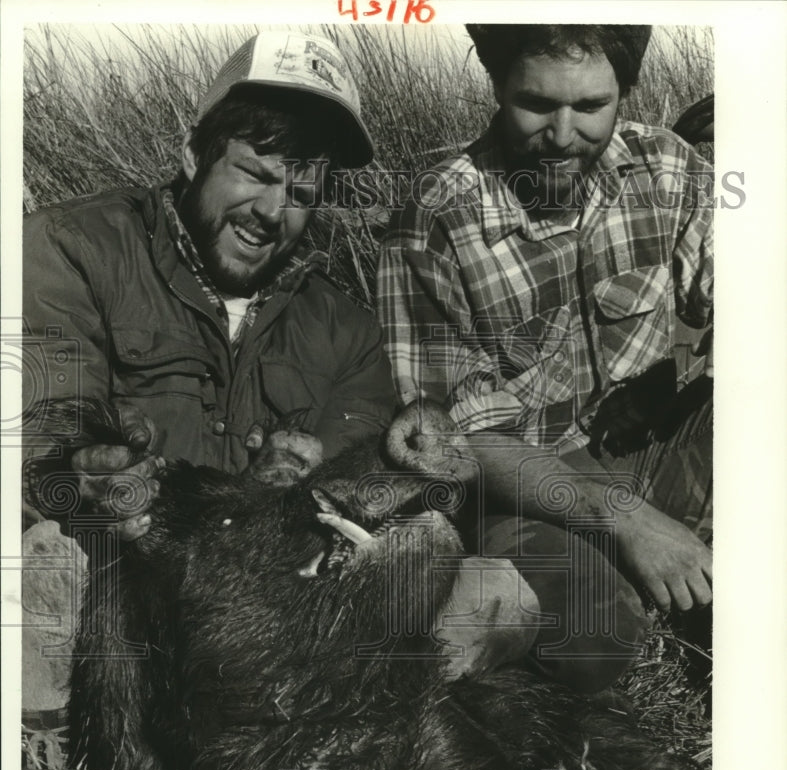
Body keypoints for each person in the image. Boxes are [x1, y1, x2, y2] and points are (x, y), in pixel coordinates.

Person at [20, 31, 397, 718]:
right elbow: (41, 433)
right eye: (253, 173)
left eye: (301, 189)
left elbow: (362, 490)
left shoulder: (348, 331)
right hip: (109, 593)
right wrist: (90, 473)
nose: (270, 212)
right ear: (192, 154)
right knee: (44, 565)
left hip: (265, 620)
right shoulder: (71, 249)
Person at [377, 24, 713, 693]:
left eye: (590, 107)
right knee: (595, 638)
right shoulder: (433, 222)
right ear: (498, 88)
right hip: (525, 484)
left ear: (623, 92)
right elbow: (461, 444)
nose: (562, 135)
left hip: (654, 440)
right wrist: (623, 519)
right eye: (536, 104)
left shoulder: (667, 166)